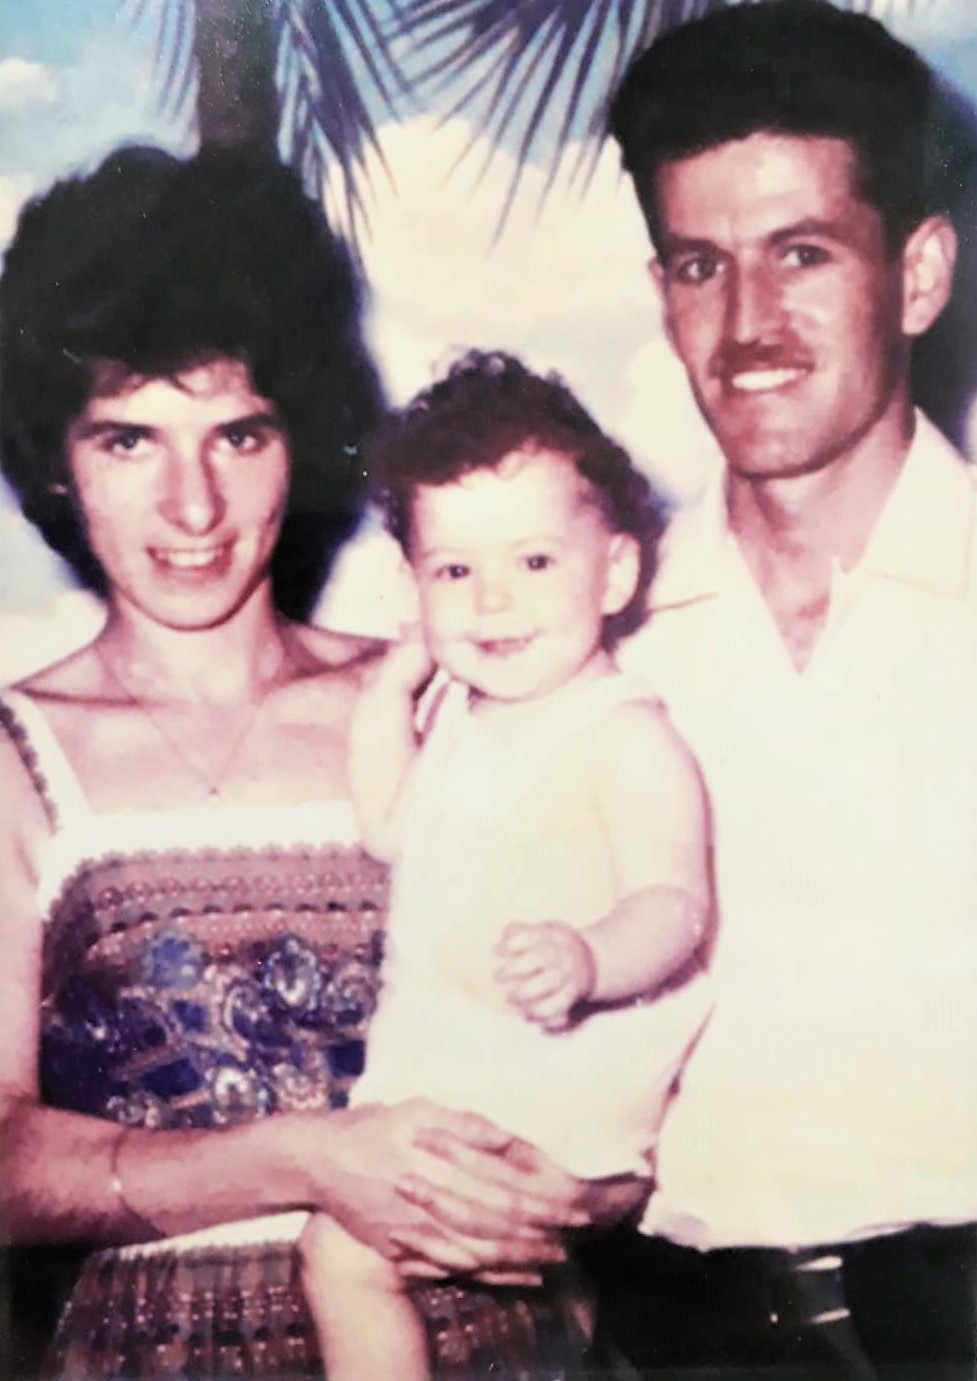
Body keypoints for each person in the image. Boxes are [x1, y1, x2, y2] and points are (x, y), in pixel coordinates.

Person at [0, 147, 645, 1380]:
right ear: (56, 459)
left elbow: (628, 979)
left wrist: (595, 1185)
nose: (192, 505)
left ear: (298, 436)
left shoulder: (451, 691)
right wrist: (302, 1159)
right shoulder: (14, 759)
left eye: (237, 434)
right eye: (129, 441)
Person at [587, 0, 977, 1374]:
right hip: (666, 1340)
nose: (747, 322)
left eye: (802, 254)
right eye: (702, 265)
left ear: (916, 275)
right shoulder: (589, 638)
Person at [299, 351, 713, 1379]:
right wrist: (387, 693)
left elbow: (673, 904)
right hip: (470, 1069)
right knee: (377, 1248)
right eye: (453, 571)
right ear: (412, 586)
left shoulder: (621, 732)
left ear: (613, 573)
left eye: (532, 562)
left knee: (341, 1255)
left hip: (554, 1080)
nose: (491, 600)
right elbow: (388, 828)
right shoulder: (466, 720)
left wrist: (590, 956)